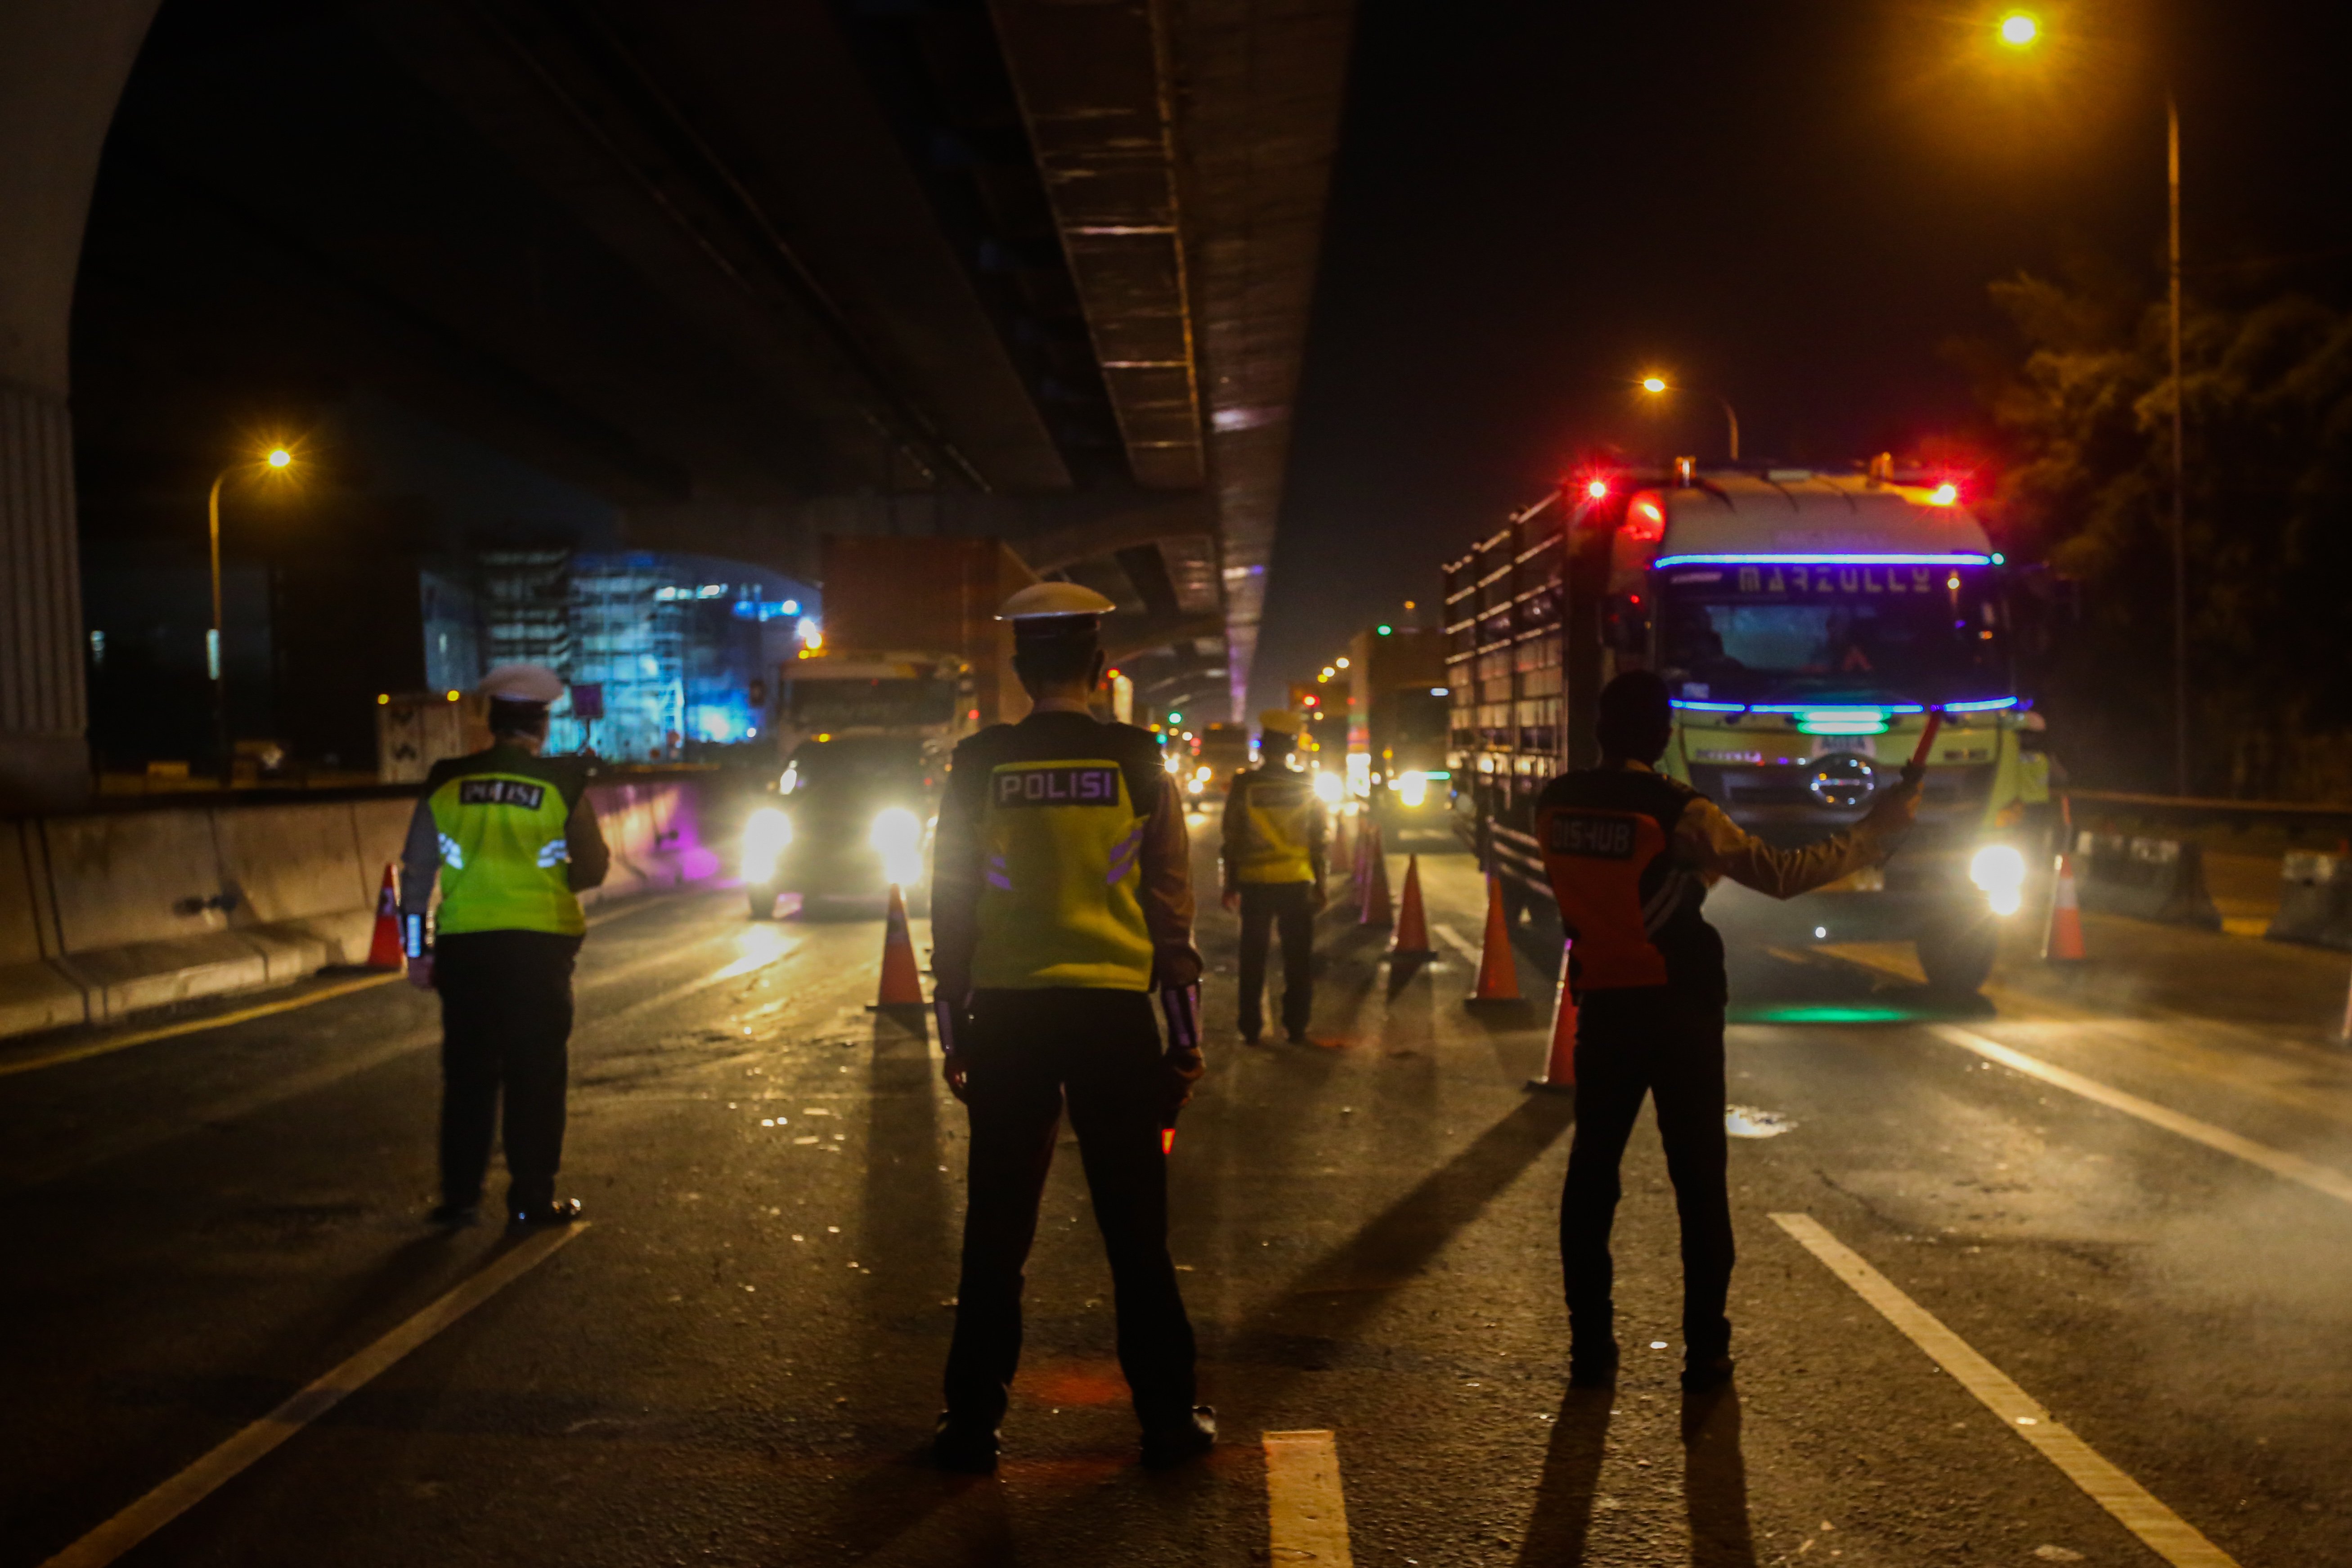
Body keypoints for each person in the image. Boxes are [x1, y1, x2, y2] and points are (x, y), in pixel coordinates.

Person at [1537, 670, 1918, 1392]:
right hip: (1677, 1009)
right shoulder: (1681, 810)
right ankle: (1706, 1350)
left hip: (1603, 1010)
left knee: (1592, 1180)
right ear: (1664, 736)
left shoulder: (1553, 804)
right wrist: (1878, 832)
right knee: (1698, 1184)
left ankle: (1591, 1348)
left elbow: (1609, 884)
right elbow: (1778, 872)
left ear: (1599, 730)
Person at [929, 582, 1212, 1474]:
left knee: (996, 1232)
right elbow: (1169, 910)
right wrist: (1186, 1034)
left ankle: (971, 1427)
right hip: (1111, 1016)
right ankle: (1166, 1421)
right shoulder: (1139, 759)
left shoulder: (976, 765)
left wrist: (955, 1030)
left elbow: (953, 903)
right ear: (1100, 668)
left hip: (1008, 1014)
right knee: (1136, 1234)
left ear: (1019, 672)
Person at [399, 663, 609, 1228]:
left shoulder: (445, 780)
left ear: (491, 723)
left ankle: (459, 1200)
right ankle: (532, 1199)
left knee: (468, 1076)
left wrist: (415, 951)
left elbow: (415, 873)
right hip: (540, 949)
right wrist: (548, 884)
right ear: (540, 725)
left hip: (465, 948)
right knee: (535, 1074)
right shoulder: (563, 783)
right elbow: (594, 866)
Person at [1220, 708, 1328, 1043]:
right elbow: (1317, 838)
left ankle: (1250, 1026)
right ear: (1292, 749)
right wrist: (1321, 885)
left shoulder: (1244, 784)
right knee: (1298, 960)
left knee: (1252, 958)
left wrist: (1230, 884)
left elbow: (1232, 835)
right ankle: (1296, 1025)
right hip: (1296, 881)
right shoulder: (1305, 784)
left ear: (1263, 748)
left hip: (1255, 883)